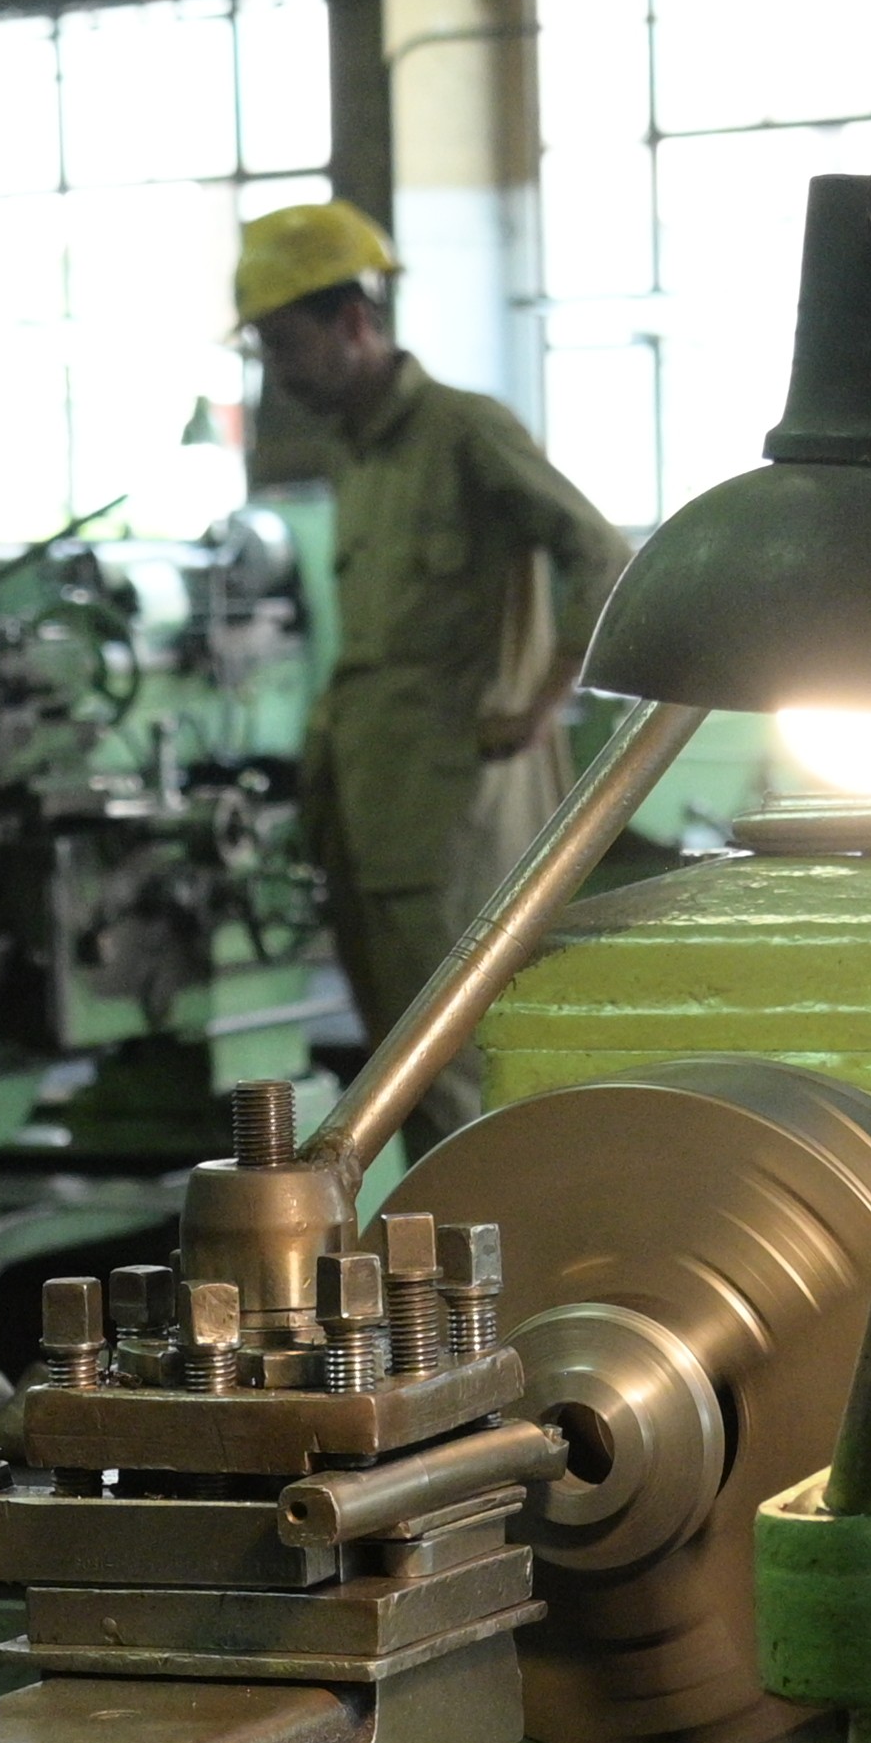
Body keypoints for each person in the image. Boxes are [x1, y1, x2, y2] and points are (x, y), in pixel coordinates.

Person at [233, 202, 631, 1119]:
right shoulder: (361, 460)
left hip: (456, 820)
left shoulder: (464, 432)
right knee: (396, 1083)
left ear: (354, 322)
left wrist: (538, 705)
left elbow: (603, 557)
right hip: (373, 819)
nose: (277, 373)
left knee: (458, 1074)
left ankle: (496, 1264)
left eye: (285, 344)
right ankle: (421, 1263)